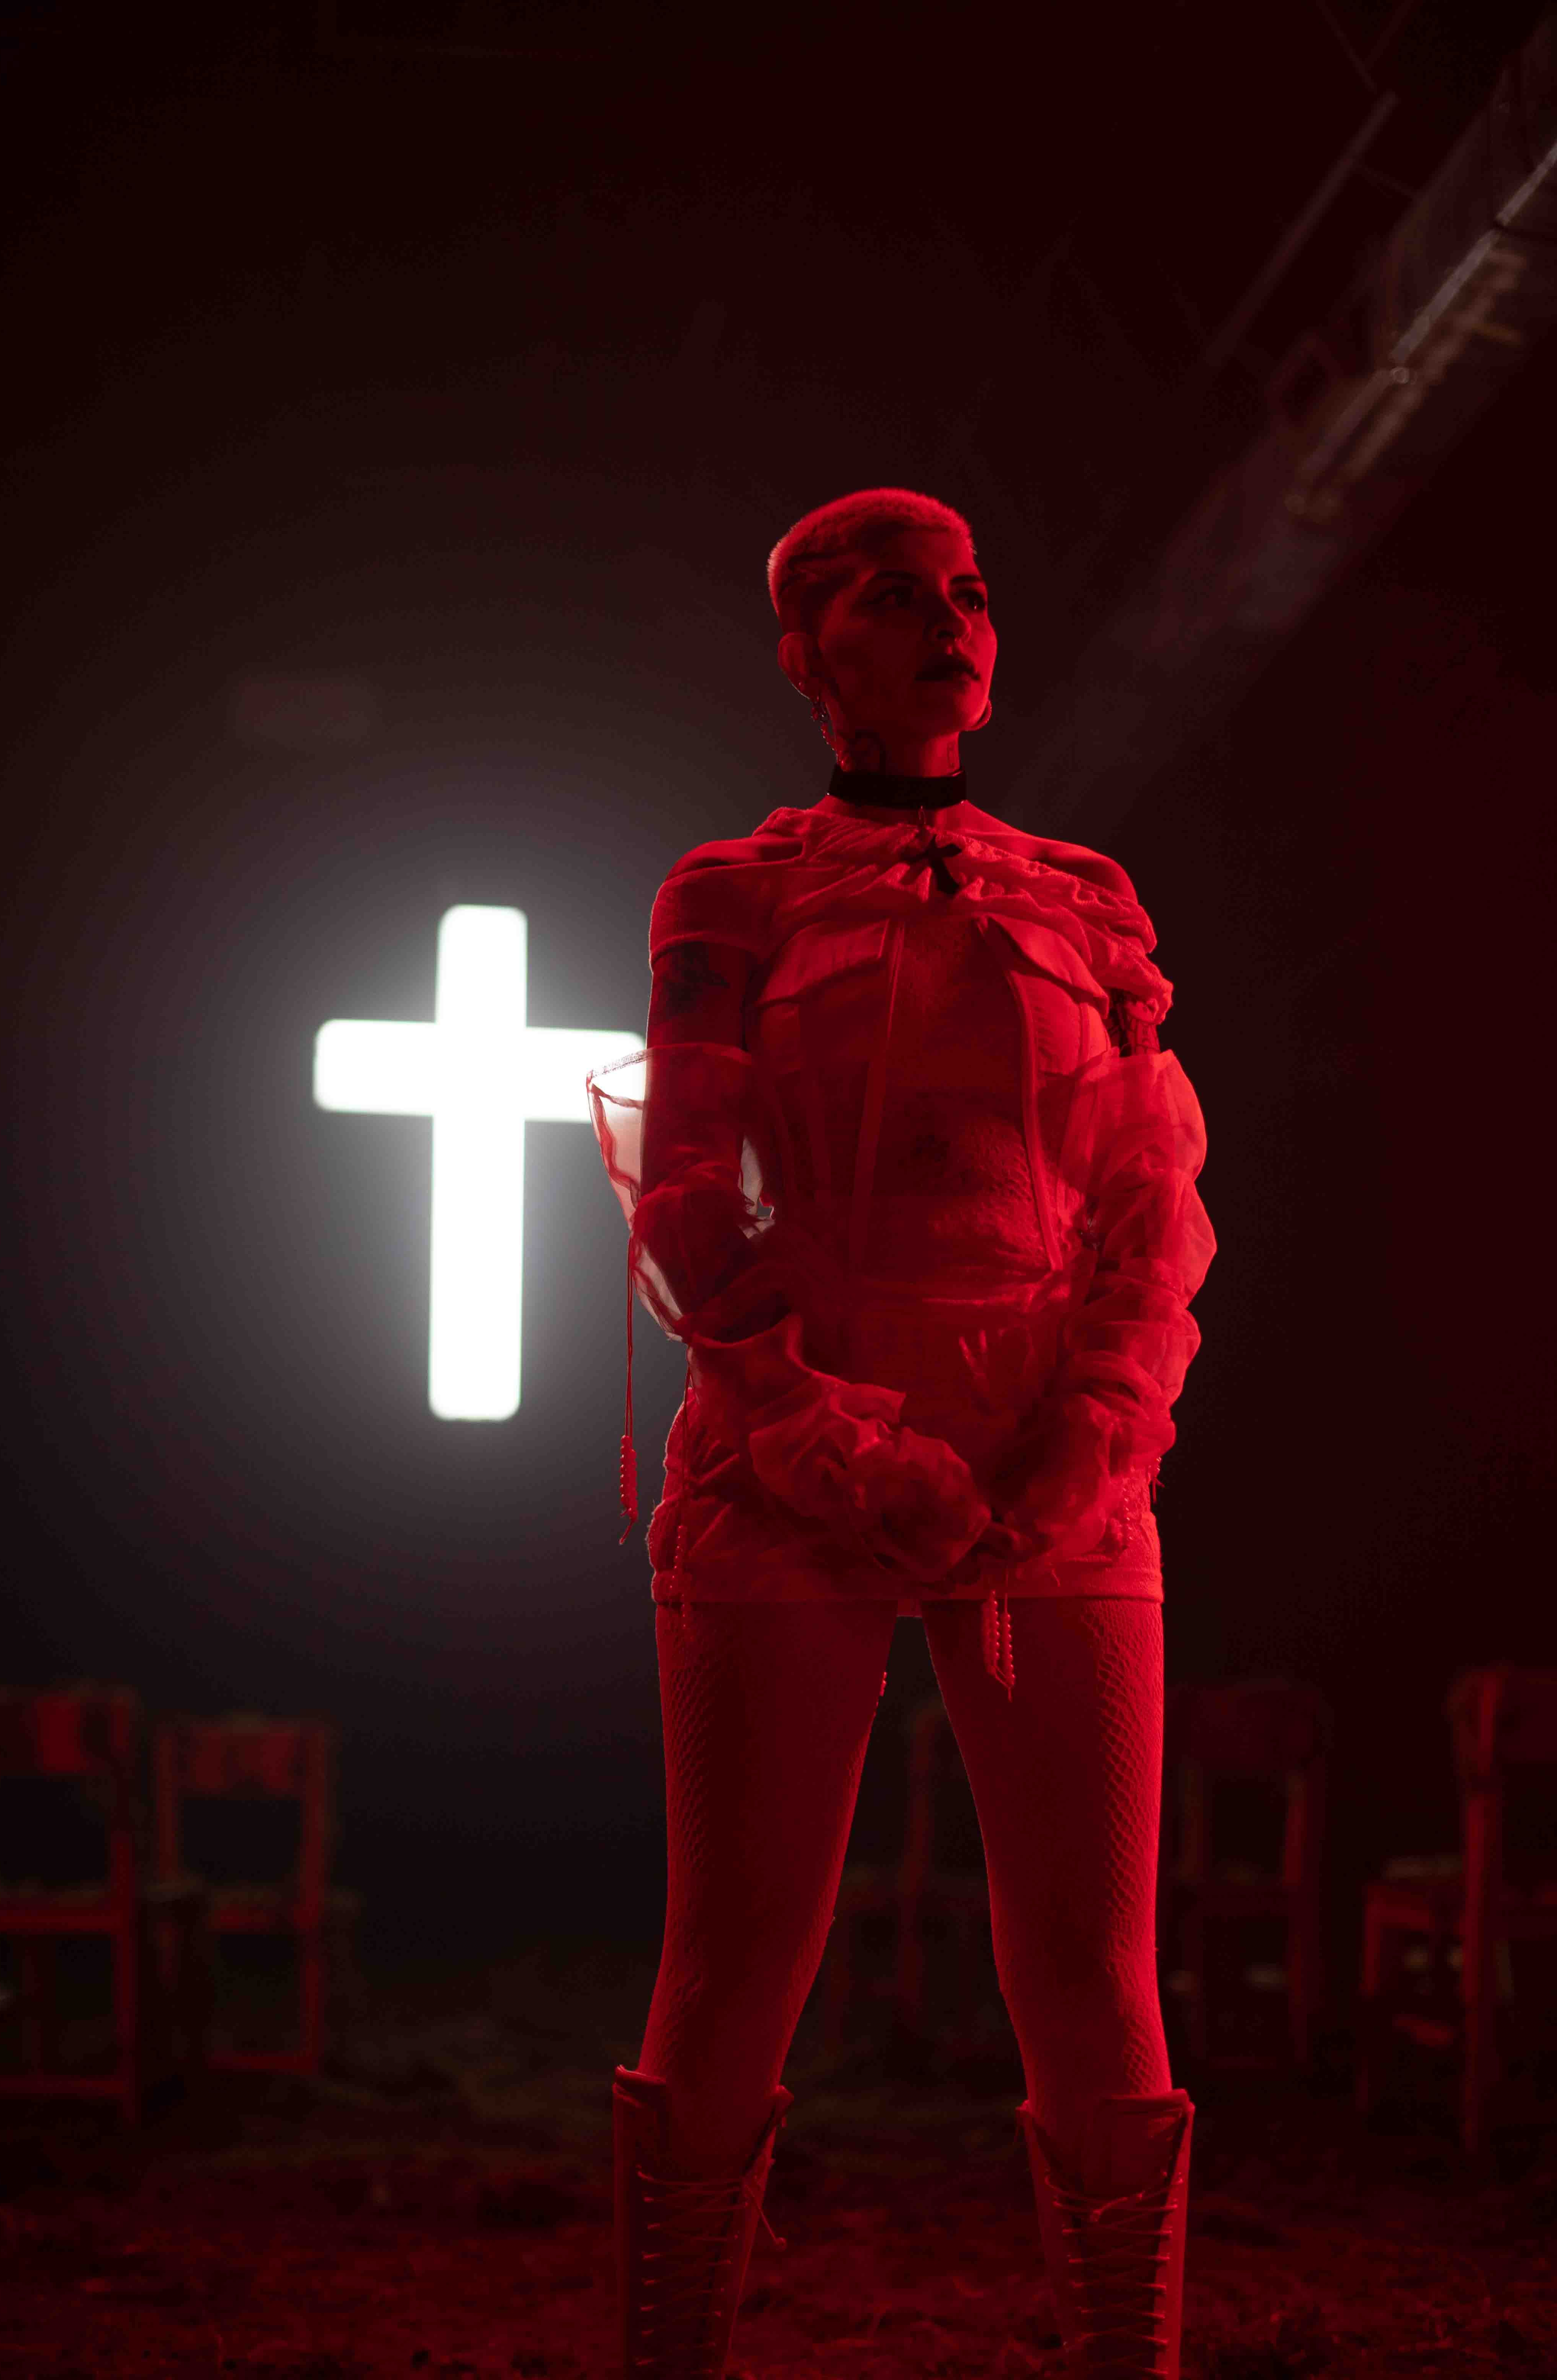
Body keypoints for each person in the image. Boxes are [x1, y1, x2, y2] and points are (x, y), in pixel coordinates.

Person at [587, 487, 1216, 2380]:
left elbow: (1149, 1192)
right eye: (887, 594)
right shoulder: (733, 890)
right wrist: (817, 1434)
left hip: (1052, 1472)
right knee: (730, 1967)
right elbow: (683, 1194)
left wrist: (1094, 1427)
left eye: (967, 592)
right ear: (805, 653)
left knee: (1096, 1973)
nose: (947, 619)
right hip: (786, 1463)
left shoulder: (1083, 896)